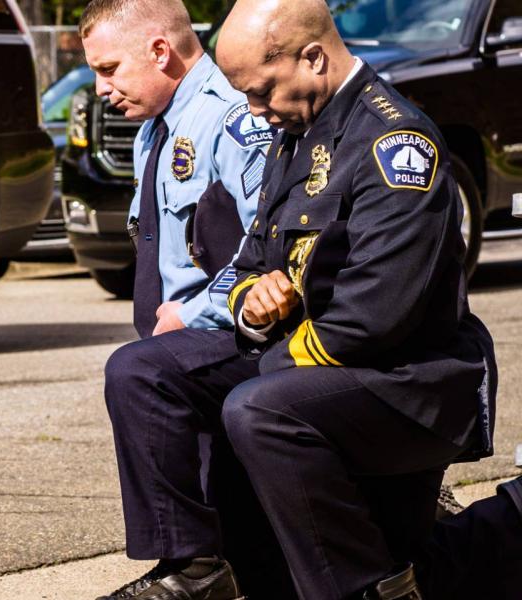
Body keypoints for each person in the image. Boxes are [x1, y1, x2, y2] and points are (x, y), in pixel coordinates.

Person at [98, 0, 496, 598]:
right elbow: (252, 261)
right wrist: (252, 303)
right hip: (317, 360)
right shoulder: (297, 133)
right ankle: (195, 571)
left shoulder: (396, 144)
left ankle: (372, 587)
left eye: (260, 92)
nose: (254, 110)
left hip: (410, 379)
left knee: (256, 406)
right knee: (142, 369)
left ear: (312, 58)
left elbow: (373, 317)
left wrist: (265, 357)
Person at [80, 0, 274, 338]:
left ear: (159, 52)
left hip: (228, 331)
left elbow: (266, 244)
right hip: (169, 335)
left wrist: (193, 314)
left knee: (132, 374)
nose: (101, 89)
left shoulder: (231, 118)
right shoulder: (151, 132)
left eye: (109, 69)